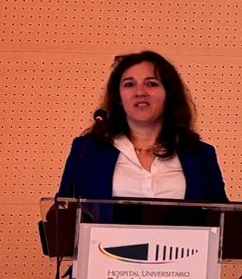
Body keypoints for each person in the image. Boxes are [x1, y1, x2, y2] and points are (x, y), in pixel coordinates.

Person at [58, 51, 228, 204]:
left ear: (169, 94)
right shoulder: (87, 150)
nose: (140, 92)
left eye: (151, 84)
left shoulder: (200, 155)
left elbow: (223, 218)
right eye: (129, 84)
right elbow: (62, 214)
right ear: (119, 98)